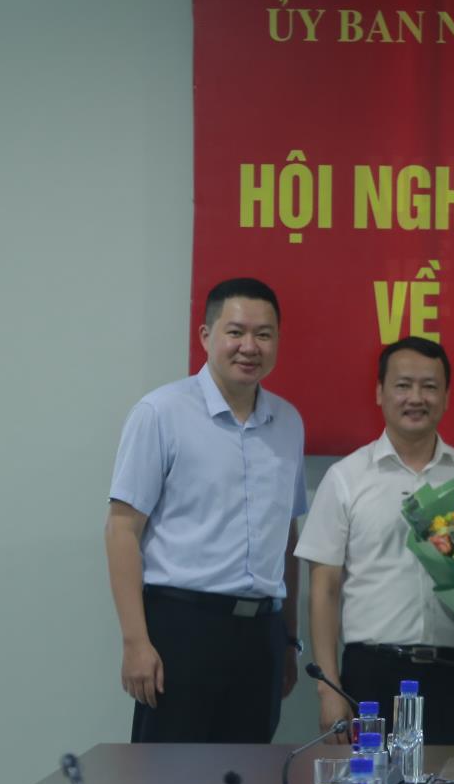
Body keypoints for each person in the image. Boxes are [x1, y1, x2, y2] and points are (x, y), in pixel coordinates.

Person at [105, 277, 308, 743]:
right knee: (169, 774)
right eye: (236, 332)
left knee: (250, 775)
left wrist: (288, 639)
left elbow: (287, 536)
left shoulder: (288, 422)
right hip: (182, 630)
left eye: (263, 334)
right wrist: (135, 642)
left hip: (262, 635)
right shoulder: (161, 413)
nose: (249, 347)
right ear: (205, 335)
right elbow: (121, 530)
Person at [296, 337, 454, 746]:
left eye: (429, 387)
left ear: (447, 397)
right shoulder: (347, 477)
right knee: (373, 783)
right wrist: (328, 688)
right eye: (403, 385)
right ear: (380, 393)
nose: (416, 398)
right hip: (373, 673)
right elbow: (324, 591)